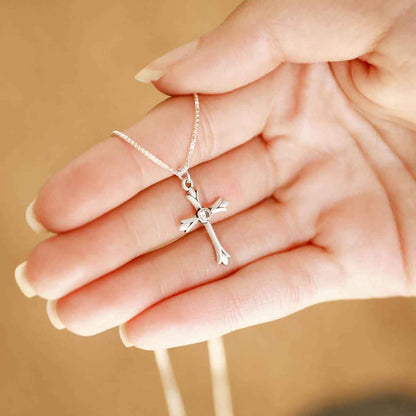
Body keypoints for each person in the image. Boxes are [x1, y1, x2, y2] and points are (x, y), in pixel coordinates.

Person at [14, 0, 416, 350]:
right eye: (202, 212)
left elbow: (206, 213)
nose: (203, 213)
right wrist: (198, 216)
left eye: (203, 211)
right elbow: (199, 216)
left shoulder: (206, 210)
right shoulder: (199, 213)